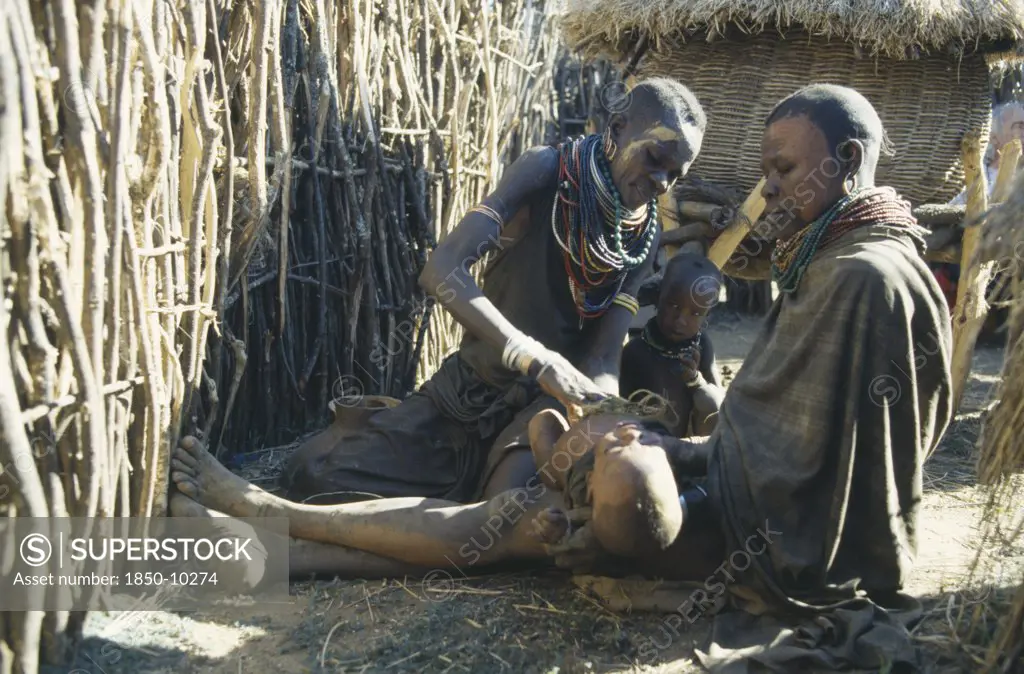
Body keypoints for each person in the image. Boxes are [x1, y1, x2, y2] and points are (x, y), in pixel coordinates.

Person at [278, 77, 707, 506]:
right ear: (616, 129)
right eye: (655, 159)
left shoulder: (644, 233)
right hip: (469, 391)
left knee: (512, 504)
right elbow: (441, 270)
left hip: (545, 408)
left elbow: (601, 355)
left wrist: (599, 408)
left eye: (675, 174)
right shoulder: (546, 172)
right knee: (313, 476)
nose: (663, 182)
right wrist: (534, 358)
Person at [620, 252, 724, 436]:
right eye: (674, 306)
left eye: (695, 314)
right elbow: (619, 407)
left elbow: (718, 404)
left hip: (691, 448)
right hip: (646, 448)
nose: (681, 320)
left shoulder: (702, 347)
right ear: (658, 298)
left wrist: (695, 380)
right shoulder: (635, 352)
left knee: (712, 402)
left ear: (707, 315)